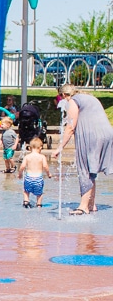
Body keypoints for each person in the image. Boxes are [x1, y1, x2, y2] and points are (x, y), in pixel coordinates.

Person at [53, 84, 113, 214]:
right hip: (106, 134)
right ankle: (91, 204)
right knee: (91, 170)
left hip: (91, 135)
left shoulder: (74, 101)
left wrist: (59, 148)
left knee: (84, 168)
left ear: (64, 95)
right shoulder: (88, 97)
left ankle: (83, 206)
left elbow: (70, 126)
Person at [18, 136, 51, 208]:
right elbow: (45, 166)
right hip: (38, 178)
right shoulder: (42, 157)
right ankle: (39, 205)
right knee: (39, 194)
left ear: (30, 148)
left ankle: (26, 202)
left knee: (26, 192)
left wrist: (20, 174)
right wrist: (49, 174)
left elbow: (22, 166)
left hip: (28, 178)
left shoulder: (27, 157)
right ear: (40, 148)